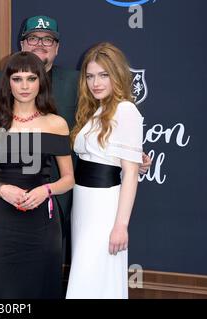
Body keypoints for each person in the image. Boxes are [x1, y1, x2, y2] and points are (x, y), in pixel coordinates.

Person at [0, 51, 75, 298]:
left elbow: (68, 179)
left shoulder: (56, 124)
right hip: (2, 221)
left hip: (41, 222)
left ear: (41, 82)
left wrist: (46, 190)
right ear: (7, 83)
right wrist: (1, 189)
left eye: (31, 78)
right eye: (17, 78)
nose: (24, 86)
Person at [66, 42, 143, 299]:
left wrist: (121, 225)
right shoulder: (95, 110)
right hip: (83, 203)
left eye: (103, 75)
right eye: (90, 76)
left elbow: (130, 173)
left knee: (97, 274)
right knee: (86, 274)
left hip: (105, 206)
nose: (95, 82)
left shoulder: (126, 110)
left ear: (117, 75)